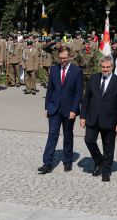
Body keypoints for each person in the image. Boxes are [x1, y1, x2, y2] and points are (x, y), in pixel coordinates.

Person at [80, 55, 117, 182]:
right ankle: (99, 161)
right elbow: (86, 98)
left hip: (110, 120)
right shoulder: (93, 78)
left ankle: (106, 170)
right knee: (89, 140)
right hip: (92, 117)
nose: (105, 69)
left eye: (107, 67)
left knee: (108, 146)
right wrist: (83, 116)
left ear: (112, 67)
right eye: (103, 67)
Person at [38, 46, 83, 174]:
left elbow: (79, 93)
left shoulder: (76, 71)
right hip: (54, 108)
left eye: (65, 58)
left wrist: (74, 110)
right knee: (52, 135)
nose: (63, 60)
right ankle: (47, 163)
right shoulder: (54, 69)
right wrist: (47, 107)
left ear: (70, 57)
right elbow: (50, 89)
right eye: (61, 58)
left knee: (68, 135)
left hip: (69, 110)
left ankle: (68, 161)